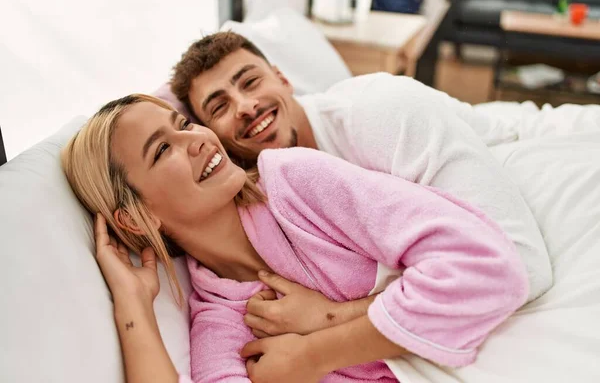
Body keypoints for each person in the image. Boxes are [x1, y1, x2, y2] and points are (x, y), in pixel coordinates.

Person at [62, 94, 528, 383]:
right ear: (139, 220)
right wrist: (133, 308)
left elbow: (487, 269)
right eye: (163, 149)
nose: (198, 140)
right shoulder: (219, 325)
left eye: (184, 125)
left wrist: (318, 345)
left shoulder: (297, 180)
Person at [169, 32, 551, 306]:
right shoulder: (264, 194)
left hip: (523, 164)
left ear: (283, 79)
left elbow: (519, 267)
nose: (246, 107)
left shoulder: (378, 113)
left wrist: (331, 322)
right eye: (219, 107)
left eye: (250, 82)